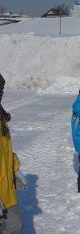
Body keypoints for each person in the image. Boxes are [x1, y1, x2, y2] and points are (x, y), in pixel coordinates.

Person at [0, 73, 24, 234]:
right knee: (14, 225)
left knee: (15, 224)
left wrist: (15, 169)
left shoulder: (1, 116)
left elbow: (5, 150)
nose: (2, 94)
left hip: (5, 186)